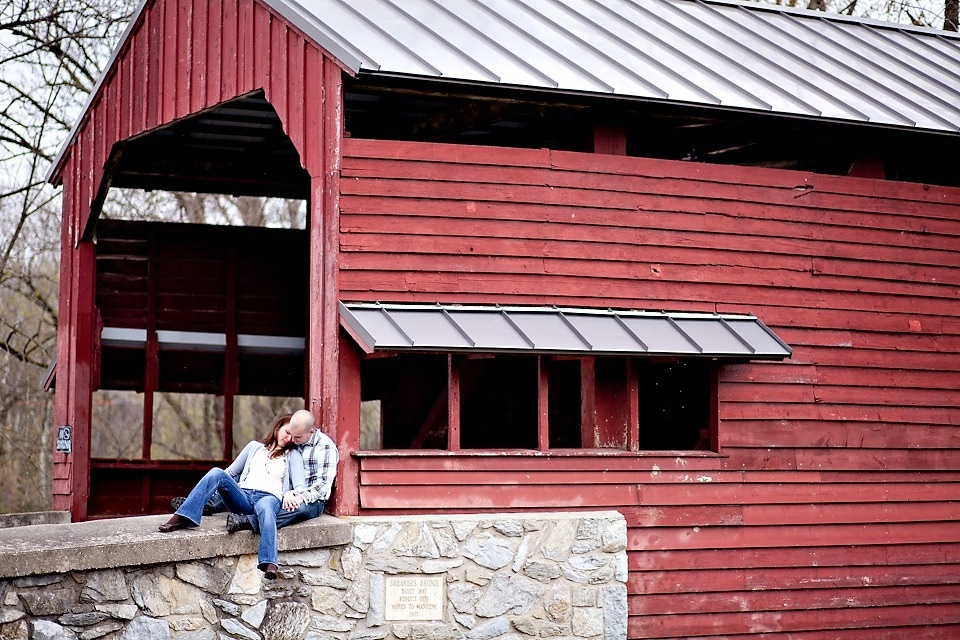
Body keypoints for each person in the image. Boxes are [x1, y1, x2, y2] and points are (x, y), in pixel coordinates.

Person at [158, 414, 305, 580]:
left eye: (293, 437)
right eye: (287, 432)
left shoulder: (293, 455)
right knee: (217, 473)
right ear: (277, 428)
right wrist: (216, 489)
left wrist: (291, 493)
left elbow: (300, 486)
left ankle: (269, 563)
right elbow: (230, 472)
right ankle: (183, 517)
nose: (289, 438)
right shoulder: (254, 447)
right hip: (244, 495)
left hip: (269, 498)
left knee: (265, 510)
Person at [225, 408, 338, 536]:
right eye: (291, 434)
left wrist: (299, 496)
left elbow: (323, 485)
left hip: (311, 499)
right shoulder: (294, 442)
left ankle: (247, 522)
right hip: (286, 493)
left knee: (299, 508)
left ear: (311, 432)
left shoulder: (325, 447)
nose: (292, 440)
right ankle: (214, 503)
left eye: (297, 437)